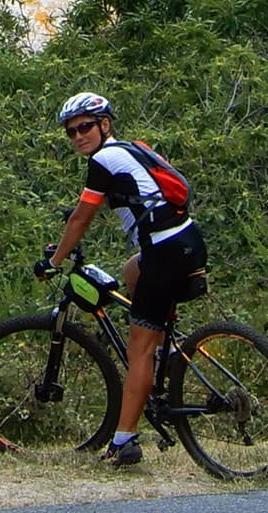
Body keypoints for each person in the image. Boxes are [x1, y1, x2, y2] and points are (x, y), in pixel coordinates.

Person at [36, 91, 207, 467]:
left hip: (165, 253)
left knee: (138, 348)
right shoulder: (127, 151)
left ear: (104, 125)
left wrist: (55, 260)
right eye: (71, 132)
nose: (78, 136)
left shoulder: (102, 160)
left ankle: (124, 441)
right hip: (186, 242)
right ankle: (165, 351)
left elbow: (82, 218)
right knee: (132, 270)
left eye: (84, 127)